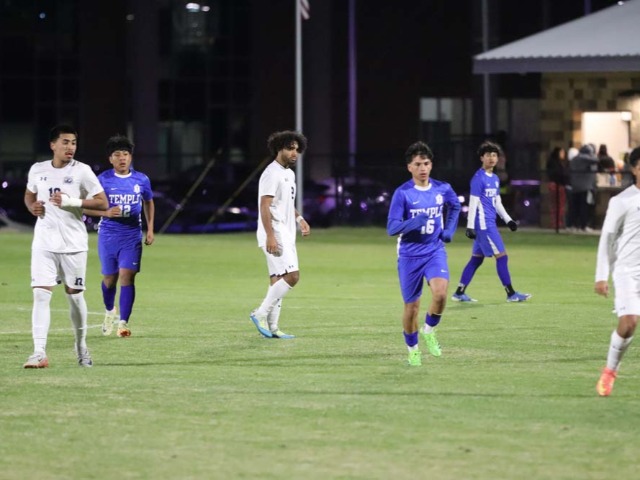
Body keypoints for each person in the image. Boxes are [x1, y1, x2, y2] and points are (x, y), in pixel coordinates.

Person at [23, 124, 109, 368]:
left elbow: (103, 203)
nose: (70, 147)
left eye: (73, 143)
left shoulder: (82, 171)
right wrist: (32, 207)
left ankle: (81, 346)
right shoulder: (38, 169)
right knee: (40, 294)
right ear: (53, 145)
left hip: (73, 244)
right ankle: (39, 352)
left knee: (75, 297)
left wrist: (71, 201)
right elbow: (29, 195)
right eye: (65, 142)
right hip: (44, 243)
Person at [387, 141, 461, 367]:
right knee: (412, 308)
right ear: (409, 167)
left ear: (431, 165)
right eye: (418, 164)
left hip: (434, 251)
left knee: (440, 294)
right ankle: (413, 350)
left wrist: (449, 230)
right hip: (409, 255)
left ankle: (429, 330)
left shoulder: (442, 188)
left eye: (426, 163)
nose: (423, 168)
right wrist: (413, 222)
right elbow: (392, 228)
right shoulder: (403, 193)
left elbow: (455, 206)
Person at [83, 135, 155, 338]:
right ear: (110, 159)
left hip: (131, 236)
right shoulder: (102, 180)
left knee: (127, 275)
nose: (122, 158)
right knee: (109, 278)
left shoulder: (141, 179)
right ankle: (109, 311)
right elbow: (85, 207)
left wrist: (150, 229)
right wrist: (105, 213)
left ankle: (123, 323)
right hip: (108, 235)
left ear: (130, 157)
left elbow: (148, 202)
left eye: (125, 154)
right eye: (117, 154)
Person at [452, 141, 531, 303]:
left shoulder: (494, 178)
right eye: (488, 155)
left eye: (494, 155)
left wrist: (508, 220)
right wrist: (469, 227)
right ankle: (511, 294)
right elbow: (473, 203)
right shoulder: (478, 178)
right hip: (484, 226)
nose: (492, 158)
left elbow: (497, 202)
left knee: (476, 259)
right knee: (502, 257)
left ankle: (459, 292)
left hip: (488, 224)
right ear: (482, 158)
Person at [249, 130, 310, 339]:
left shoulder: (289, 174)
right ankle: (259, 313)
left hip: (286, 231)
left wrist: (300, 219)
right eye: (290, 148)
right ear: (279, 149)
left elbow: (285, 204)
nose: (294, 153)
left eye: (297, 149)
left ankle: (273, 328)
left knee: (277, 280)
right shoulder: (271, 173)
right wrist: (270, 236)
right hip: (275, 231)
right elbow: (264, 206)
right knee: (293, 276)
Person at [594, 146, 640, 397]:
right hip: (627, 271)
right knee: (629, 323)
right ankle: (610, 371)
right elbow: (607, 239)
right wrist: (601, 276)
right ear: (634, 169)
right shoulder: (622, 201)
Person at [568, 144, 598, 232]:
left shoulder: (574, 159)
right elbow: (596, 160)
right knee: (584, 207)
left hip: (575, 187)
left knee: (575, 207)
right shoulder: (585, 159)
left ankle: (573, 225)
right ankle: (583, 225)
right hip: (585, 187)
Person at [545, 147, 569, 230]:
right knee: (559, 205)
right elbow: (559, 174)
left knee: (555, 205)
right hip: (557, 185)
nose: (563, 154)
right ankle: (557, 223)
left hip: (554, 184)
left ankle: (555, 222)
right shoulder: (556, 164)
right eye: (561, 152)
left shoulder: (552, 162)